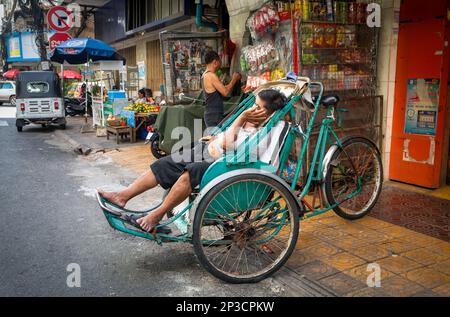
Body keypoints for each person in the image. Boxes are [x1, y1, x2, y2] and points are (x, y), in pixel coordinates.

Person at [98, 89, 287, 233]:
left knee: (191, 172)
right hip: (219, 156)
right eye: (253, 105)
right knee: (165, 163)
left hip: (233, 167)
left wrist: (240, 120)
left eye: (258, 107)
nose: (253, 109)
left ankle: (156, 215)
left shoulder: (267, 131)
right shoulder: (254, 123)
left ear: (269, 113)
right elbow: (228, 140)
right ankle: (123, 196)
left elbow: (232, 145)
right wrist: (221, 137)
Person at [202, 50, 242, 127]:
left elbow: (222, 89)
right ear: (215, 62)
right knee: (217, 138)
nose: (220, 64)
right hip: (213, 115)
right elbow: (225, 92)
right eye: (220, 61)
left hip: (212, 114)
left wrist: (232, 82)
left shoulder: (205, 75)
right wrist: (234, 79)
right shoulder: (211, 76)